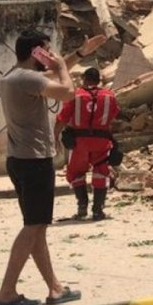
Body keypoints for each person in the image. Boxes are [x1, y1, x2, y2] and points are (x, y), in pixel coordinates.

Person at [0, 30, 105, 305]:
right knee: (33, 226)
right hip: (34, 162)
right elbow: (67, 93)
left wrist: (79, 53)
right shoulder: (28, 78)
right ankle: (7, 292)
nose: (51, 54)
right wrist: (65, 67)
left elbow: (50, 75)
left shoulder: (14, 77)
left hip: (19, 160)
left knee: (38, 227)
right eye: (46, 50)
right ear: (36, 53)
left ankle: (55, 288)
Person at [55, 67, 119, 221]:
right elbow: (114, 116)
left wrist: (55, 137)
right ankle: (98, 211)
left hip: (79, 142)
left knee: (76, 173)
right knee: (101, 171)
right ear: (99, 80)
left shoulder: (75, 96)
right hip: (102, 141)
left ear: (84, 79)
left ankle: (82, 207)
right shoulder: (110, 96)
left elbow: (62, 119)